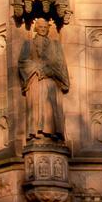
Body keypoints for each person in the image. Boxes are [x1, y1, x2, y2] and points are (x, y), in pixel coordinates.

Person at [17, 16, 70, 144]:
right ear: (36, 28)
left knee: (50, 107)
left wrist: (51, 71)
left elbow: (61, 64)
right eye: (40, 27)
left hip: (51, 81)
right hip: (35, 80)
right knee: (35, 106)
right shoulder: (28, 44)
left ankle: (52, 133)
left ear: (48, 29)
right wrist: (37, 67)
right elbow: (22, 62)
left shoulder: (56, 45)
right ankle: (35, 133)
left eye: (45, 27)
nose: (43, 29)